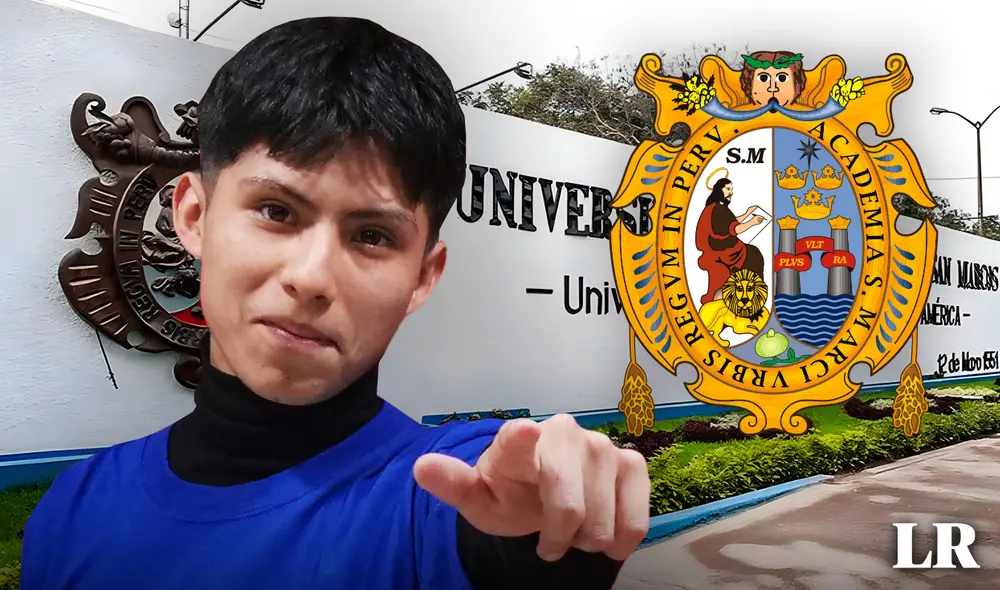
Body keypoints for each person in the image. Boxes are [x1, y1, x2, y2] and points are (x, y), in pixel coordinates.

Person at [21, 17, 650, 590]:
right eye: (276, 211)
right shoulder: (72, 510)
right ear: (193, 215)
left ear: (423, 277)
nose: (312, 276)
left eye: (372, 236)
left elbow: (499, 510)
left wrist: (541, 541)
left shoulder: (445, 499)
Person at [695, 177, 766, 304]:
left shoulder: (717, 208)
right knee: (754, 254)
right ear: (719, 190)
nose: (731, 192)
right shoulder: (717, 209)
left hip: (723, 249)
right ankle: (754, 294)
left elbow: (730, 222)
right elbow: (734, 229)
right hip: (723, 252)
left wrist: (747, 213)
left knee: (753, 252)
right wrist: (752, 222)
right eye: (728, 189)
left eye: (731, 189)